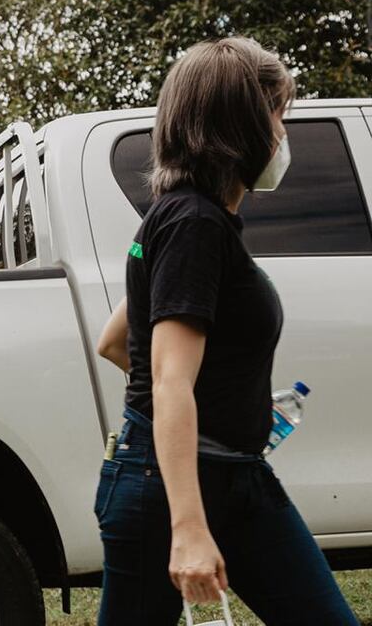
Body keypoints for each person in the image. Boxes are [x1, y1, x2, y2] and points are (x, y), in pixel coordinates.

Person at [93, 37, 358, 625]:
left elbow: (116, 342)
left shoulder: (182, 217)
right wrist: (188, 528)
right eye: (278, 115)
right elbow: (169, 380)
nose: (283, 134)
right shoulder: (194, 224)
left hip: (235, 475)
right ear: (242, 124)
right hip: (167, 490)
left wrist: (227, 402)